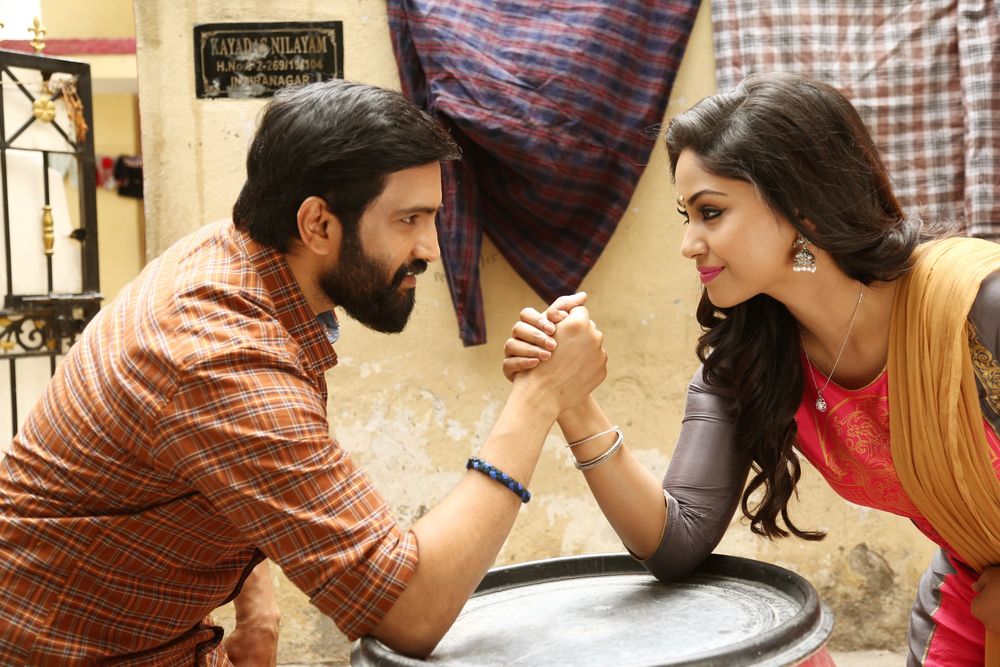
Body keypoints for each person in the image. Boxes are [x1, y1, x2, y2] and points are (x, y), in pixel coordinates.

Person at [0, 79, 608, 664]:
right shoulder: (222, 353)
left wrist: (257, 613)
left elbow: (228, 468)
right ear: (317, 224)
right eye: (408, 220)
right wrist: (539, 396)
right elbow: (410, 612)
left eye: (432, 219)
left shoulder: (231, 259)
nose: (430, 248)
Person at [503, 72, 1000, 666]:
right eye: (687, 216)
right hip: (973, 602)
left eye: (711, 212)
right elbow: (676, 542)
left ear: (802, 207)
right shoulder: (755, 359)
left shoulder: (975, 306)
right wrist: (571, 399)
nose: (689, 243)